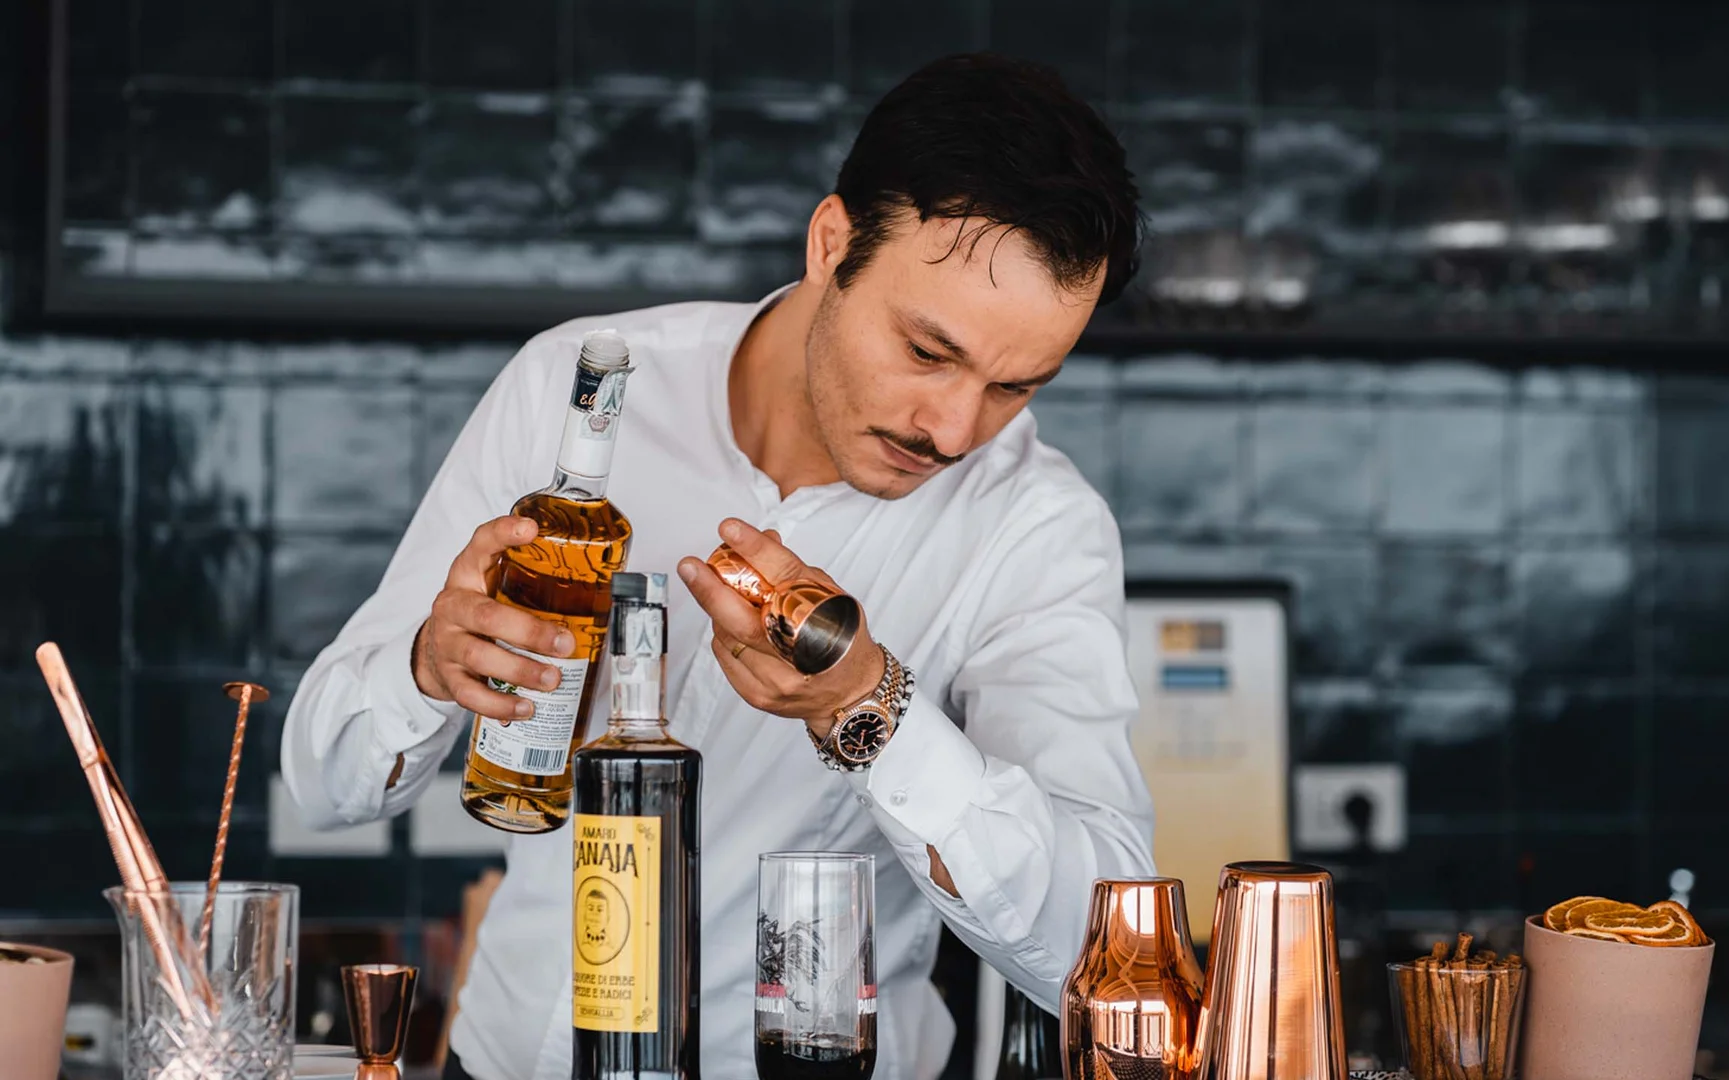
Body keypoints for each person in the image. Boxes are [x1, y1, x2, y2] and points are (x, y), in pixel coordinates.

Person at [282, 53, 1155, 1080]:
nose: (955, 429)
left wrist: (871, 709)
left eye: (1016, 386)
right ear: (832, 244)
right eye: (929, 353)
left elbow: (1100, 953)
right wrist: (427, 669)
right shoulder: (581, 391)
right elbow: (322, 784)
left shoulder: (1037, 528)